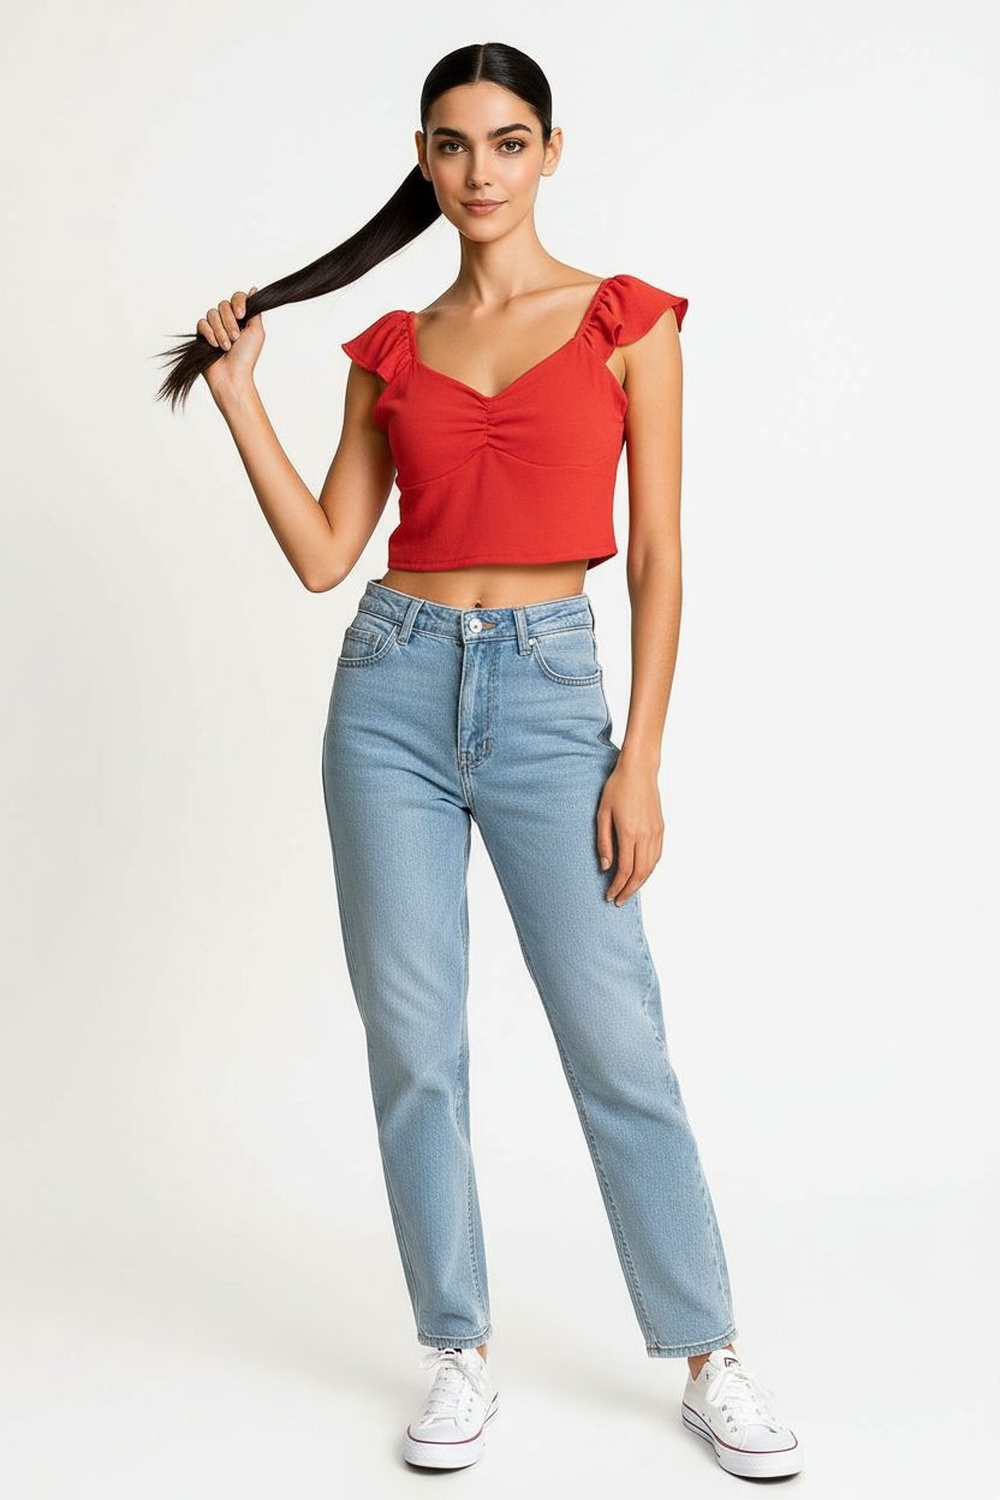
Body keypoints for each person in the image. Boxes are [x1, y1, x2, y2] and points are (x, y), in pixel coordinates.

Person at [171, 39, 802, 1485]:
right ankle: (455, 1349)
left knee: (615, 1038)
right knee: (416, 1048)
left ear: (550, 153)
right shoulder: (390, 349)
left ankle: (707, 1350)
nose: (480, 172)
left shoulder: (626, 322)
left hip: (551, 695)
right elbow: (327, 555)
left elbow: (659, 556)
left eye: (508, 142)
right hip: (389, 694)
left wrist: (639, 758)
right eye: (453, 145)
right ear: (423, 158)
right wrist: (241, 398)